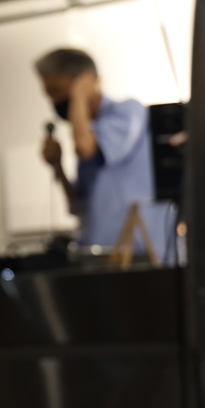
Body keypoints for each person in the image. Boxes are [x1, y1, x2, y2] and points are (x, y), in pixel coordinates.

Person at [36, 48, 169, 256]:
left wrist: (79, 98)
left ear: (85, 81)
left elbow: (84, 148)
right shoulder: (91, 133)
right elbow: (77, 206)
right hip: (98, 252)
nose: (53, 101)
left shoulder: (127, 111)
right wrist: (57, 167)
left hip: (138, 252)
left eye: (57, 90)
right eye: (48, 94)